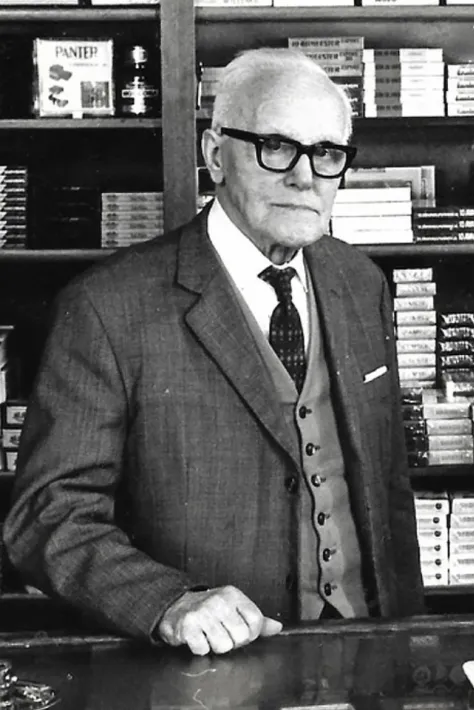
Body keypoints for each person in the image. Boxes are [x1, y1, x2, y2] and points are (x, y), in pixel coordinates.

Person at [2, 48, 423, 654]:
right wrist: (169, 603)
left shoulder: (360, 282)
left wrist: (406, 640)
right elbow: (48, 515)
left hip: (366, 651)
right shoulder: (108, 306)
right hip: (209, 669)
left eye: (327, 154)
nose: (304, 178)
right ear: (213, 155)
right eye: (276, 146)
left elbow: (386, 486)